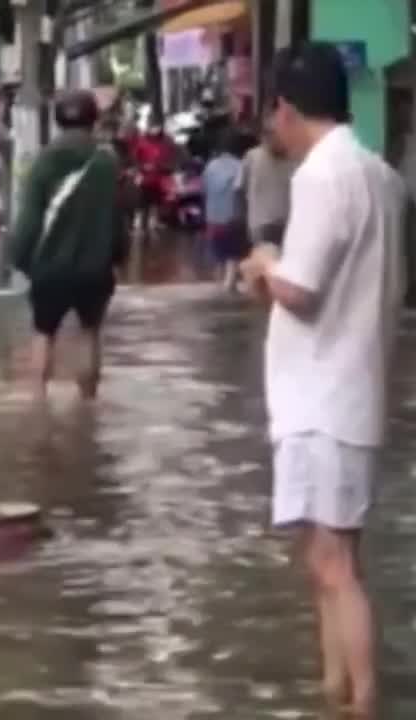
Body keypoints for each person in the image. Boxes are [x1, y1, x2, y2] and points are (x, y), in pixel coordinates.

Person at [240, 43, 407, 718]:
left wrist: (262, 265)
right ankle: (334, 693)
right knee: (333, 563)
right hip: (355, 389)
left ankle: (360, 701)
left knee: (333, 567)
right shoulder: (379, 174)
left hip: (322, 396)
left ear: (284, 108)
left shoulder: (320, 176)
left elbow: (301, 291)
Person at [9, 89, 128, 400]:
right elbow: (119, 219)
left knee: (43, 334)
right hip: (94, 269)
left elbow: (28, 222)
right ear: (93, 119)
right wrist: (117, 257)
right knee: (89, 333)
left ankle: (38, 405)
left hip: (49, 268)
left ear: (57, 119)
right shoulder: (107, 163)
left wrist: (21, 260)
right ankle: (88, 407)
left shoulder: (43, 162)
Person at [238, 118, 295, 249]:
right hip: (281, 222)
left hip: (262, 224)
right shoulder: (294, 157)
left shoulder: (252, 156)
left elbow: (240, 189)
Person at [202, 130, 246, 290]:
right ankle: (229, 285)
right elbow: (240, 189)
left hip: (213, 216)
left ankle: (218, 283)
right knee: (233, 254)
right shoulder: (240, 166)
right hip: (233, 216)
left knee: (218, 252)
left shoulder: (211, 166)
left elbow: (204, 188)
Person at [130, 122, 176, 235]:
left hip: (158, 179)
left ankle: (153, 224)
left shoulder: (165, 143)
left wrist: (164, 167)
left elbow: (169, 159)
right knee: (144, 203)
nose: (155, 130)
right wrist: (142, 167)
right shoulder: (142, 142)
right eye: (153, 127)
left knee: (156, 203)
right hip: (146, 179)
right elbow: (134, 159)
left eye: (157, 127)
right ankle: (143, 225)